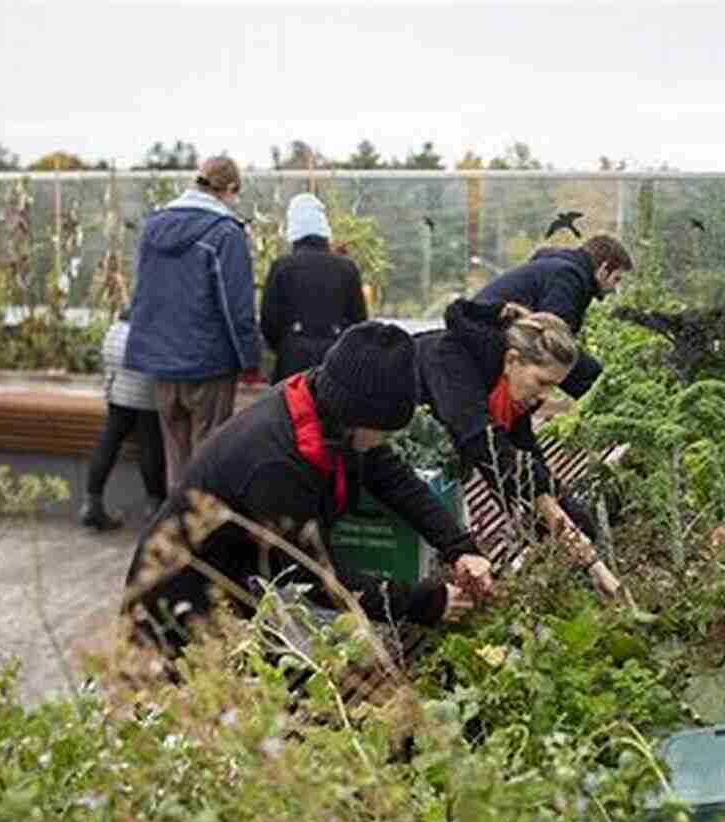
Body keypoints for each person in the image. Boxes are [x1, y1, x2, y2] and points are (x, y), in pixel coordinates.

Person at [123, 321, 494, 657]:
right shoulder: (277, 464)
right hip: (175, 605)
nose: (387, 439)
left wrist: (458, 547)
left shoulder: (325, 408)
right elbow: (315, 578)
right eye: (385, 430)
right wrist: (428, 602)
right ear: (358, 417)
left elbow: (391, 477)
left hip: (232, 585)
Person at [414, 299, 624, 599]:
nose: (546, 396)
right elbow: (485, 446)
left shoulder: (509, 385)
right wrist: (556, 518)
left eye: (555, 386)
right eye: (543, 382)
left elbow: (525, 456)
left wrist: (572, 516)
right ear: (512, 360)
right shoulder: (451, 359)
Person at [124, 155, 261, 492]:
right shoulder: (225, 233)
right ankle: (203, 536)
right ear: (229, 189)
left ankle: (176, 531)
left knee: (177, 458)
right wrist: (250, 359)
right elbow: (237, 307)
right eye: (235, 193)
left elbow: (143, 291)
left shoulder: (154, 227)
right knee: (210, 455)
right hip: (208, 363)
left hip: (162, 364)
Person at [474, 234, 634, 399]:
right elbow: (554, 345)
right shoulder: (567, 277)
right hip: (483, 349)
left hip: (484, 346)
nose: (615, 289)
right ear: (604, 268)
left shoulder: (556, 269)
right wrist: (605, 389)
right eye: (616, 279)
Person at [260, 193, 368, 384]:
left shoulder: (282, 267)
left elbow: (269, 320)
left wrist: (285, 345)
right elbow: (358, 319)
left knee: (291, 410)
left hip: (292, 358)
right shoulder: (346, 268)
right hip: (335, 356)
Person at [79, 309, 167, 531]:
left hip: (118, 339)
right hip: (144, 344)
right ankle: (155, 509)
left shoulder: (145, 285)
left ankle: (92, 503)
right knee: (149, 437)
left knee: (112, 432)